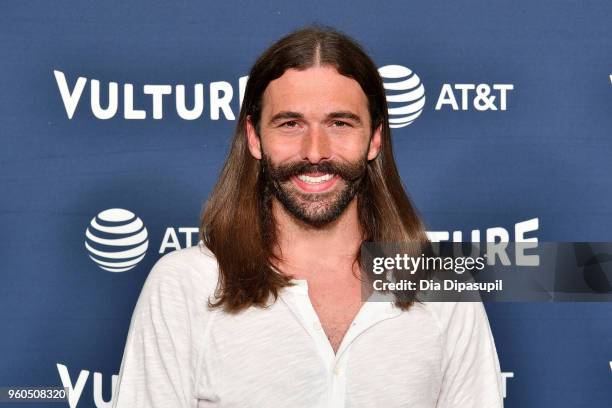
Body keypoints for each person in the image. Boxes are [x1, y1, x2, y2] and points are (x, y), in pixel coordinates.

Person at [111, 25, 504, 408]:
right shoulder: (186, 285)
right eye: (290, 124)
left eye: (339, 123)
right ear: (254, 137)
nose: (315, 151)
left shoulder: (444, 286)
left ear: (375, 138)